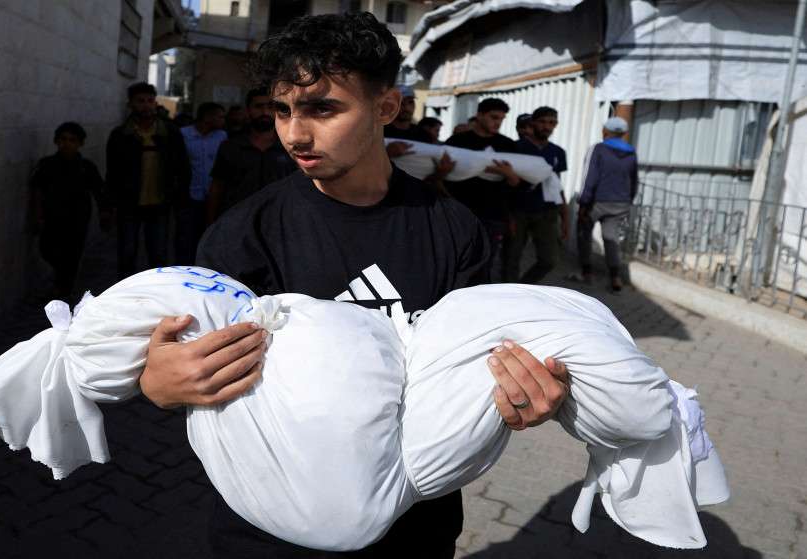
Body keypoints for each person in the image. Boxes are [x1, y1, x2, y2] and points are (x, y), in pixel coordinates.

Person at [137, 12, 570, 558]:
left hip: (413, 530)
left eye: (322, 108)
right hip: (269, 535)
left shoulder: (455, 230)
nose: (294, 133)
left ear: (386, 108)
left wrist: (522, 392)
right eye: (282, 110)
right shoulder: (242, 237)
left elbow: (479, 368)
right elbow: (195, 368)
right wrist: (161, 383)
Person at [105, 82, 191, 276]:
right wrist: (109, 205)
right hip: (129, 204)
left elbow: (182, 168)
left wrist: (180, 198)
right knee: (127, 254)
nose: (146, 105)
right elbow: (113, 173)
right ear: (131, 104)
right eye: (140, 101)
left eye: (150, 101)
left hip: (160, 204)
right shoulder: (120, 135)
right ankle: (126, 290)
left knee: (158, 255)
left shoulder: (170, 132)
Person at [444, 98, 523, 282]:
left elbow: (515, 185)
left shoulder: (508, 145)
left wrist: (509, 175)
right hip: (458, 213)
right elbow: (437, 178)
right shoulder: (457, 141)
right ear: (479, 115)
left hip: (492, 216)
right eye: (494, 117)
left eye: (501, 119)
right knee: (452, 260)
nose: (498, 122)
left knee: (484, 264)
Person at [29, 122, 109, 298]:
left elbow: (98, 191)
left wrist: (104, 213)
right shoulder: (47, 165)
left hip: (77, 218)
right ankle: (62, 284)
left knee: (72, 255)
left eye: (72, 140)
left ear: (80, 143)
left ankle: (63, 290)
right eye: (63, 139)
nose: (67, 144)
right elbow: (37, 190)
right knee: (47, 249)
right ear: (56, 141)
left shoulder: (86, 167)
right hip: (52, 217)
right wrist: (37, 215)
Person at [205, 87, 298, 222]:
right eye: (258, 107)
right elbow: (217, 188)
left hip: (278, 222)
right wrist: (211, 224)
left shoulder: (290, 147)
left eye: (270, 106)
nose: (264, 112)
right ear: (248, 111)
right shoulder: (230, 147)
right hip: (236, 222)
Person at [573, 116, 639, 292]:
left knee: (583, 233)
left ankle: (586, 272)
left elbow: (589, 177)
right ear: (623, 133)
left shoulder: (598, 149)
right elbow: (634, 180)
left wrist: (584, 203)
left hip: (596, 202)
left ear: (605, 131)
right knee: (611, 238)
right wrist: (628, 200)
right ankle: (615, 277)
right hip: (620, 203)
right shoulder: (631, 152)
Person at [504, 106, 569, 284]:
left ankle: (523, 288)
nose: (547, 126)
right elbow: (503, 185)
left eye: (551, 123)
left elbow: (557, 185)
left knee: (549, 260)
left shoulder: (557, 152)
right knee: (511, 257)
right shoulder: (515, 148)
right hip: (518, 210)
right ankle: (508, 293)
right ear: (533, 123)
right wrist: (507, 214)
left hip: (546, 212)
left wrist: (565, 216)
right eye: (542, 122)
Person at [177, 102, 228, 264]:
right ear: (207, 117)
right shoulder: (183, 135)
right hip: (189, 195)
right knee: (186, 238)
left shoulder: (222, 136)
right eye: (220, 117)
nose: (223, 120)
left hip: (213, 196)